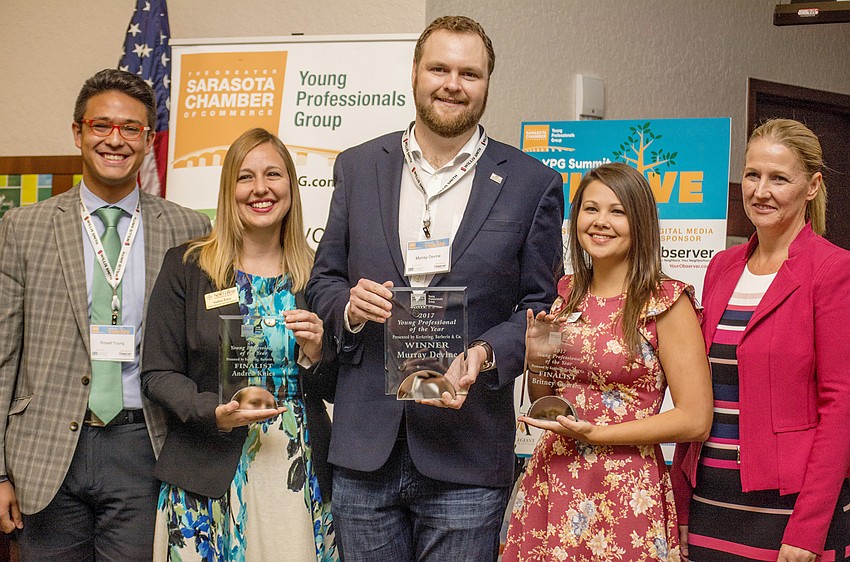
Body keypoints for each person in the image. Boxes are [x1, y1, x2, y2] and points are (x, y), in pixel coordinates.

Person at [306, 15, 564, 562]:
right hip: (365, 448)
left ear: (488, 83)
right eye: (439, 68)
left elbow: (541, 306)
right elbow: (324, 280)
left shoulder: (530, 184)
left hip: (464, 450)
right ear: (415, 73)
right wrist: (349, 309)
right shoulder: (357, 167)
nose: (452, 84)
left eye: (469, 73)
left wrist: (486, 352)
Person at [0, 69, 210, 560]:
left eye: (130, 128)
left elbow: (201, 345)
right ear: (78, 132)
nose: (115, 140)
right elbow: (2, 356)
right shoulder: (23, 227)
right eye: (101, 126)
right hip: (45, 452)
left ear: (148, 140)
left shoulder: (187, 227)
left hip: (145, 445)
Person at [141, 128, 338, 561]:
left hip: (296, 469)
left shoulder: (320, 276)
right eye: (245, 177)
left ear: (292, 186)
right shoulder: (188, 267)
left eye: (273, 174)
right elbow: (157, 373)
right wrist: (213, 413)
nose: (261, 188)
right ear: (229, 188)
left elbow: (340, 385)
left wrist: (320, 353)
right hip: (206, 468)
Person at [503, 162, 713, 562]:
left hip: (626, 488)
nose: (601, 222)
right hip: (554, 479)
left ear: (640, 223)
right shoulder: (563, 294)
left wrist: (596, 435)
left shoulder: (665, 300)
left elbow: (696, 419)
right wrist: (538, 358)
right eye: (590, 209)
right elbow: (546, 399)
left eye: (617, 211)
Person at [672, 119, 850, 562]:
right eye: (753, 175)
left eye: (779, 179)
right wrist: (679, 504)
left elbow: (841, 406)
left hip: (788, 510)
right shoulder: (722, 267)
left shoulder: (833, 271)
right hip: (710, 500)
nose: (761, 191)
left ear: (812, 187)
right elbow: (697, 390)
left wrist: (808, 529)